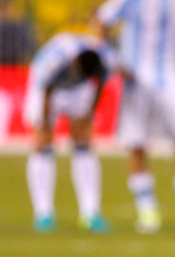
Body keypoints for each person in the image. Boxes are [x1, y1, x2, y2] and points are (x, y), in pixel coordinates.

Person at [97, 0, 175, 233]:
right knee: (137, 143)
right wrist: (113, 60)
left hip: (170, 74)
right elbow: (101, 22)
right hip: (137, 78)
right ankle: (147, 212)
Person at [23, 31, 111, 233]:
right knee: (43, 145)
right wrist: (45, 123)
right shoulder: (54, 63)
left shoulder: (105, 60)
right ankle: (43, 214)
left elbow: (100, 85)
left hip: (79, 90)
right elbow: (46, 91)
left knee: (84, 144)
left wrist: (89, 113)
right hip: (45, 88)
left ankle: (90, 213)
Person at [0, 0, 35, 65]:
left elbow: (27, 51)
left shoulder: (21, 29)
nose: (6, 12)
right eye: (3, 9)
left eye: (8, 8)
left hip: (16, 66)